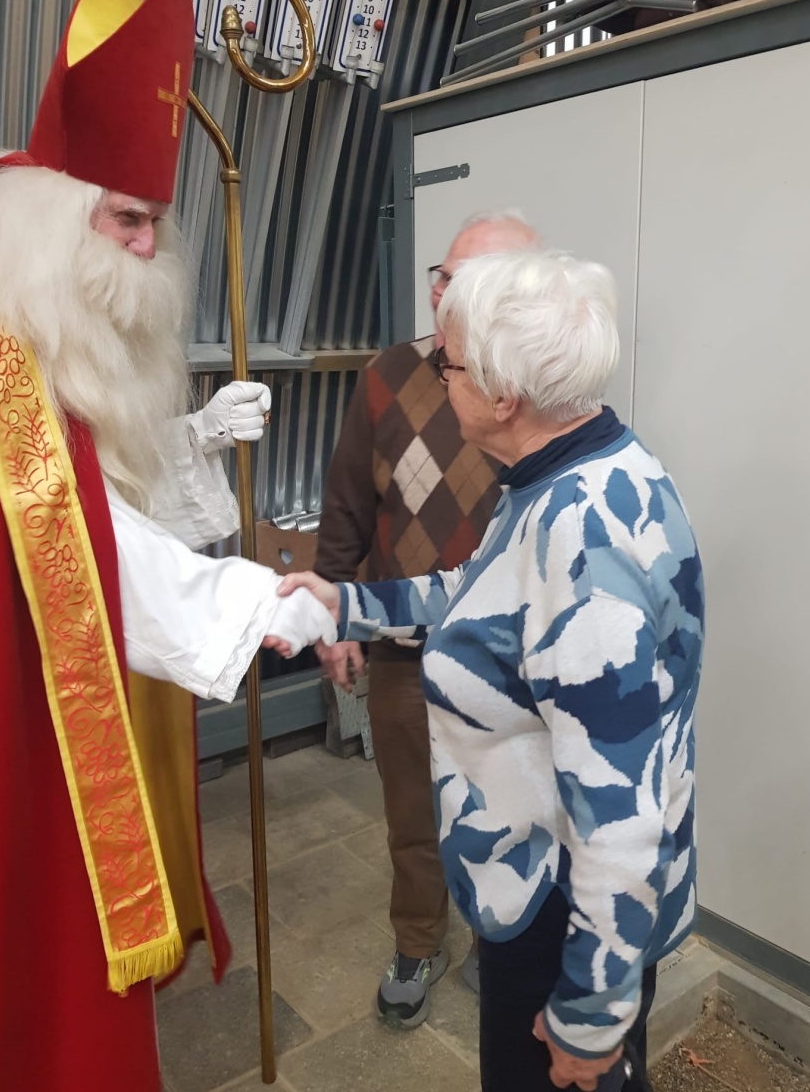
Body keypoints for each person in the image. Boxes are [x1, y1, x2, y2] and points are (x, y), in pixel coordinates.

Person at [0, 0, 334, 1092]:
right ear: (54, 216)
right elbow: (57, 540)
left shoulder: (29, 303)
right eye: (124, 218)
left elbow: (81, 481)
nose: (149, 249)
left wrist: (192, 437)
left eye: (156, 219)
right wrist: (257, 603)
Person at [268, 247, 704, 1092]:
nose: (439, 380)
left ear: (504, 397)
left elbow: (619, 816)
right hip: (553, 890)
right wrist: (345, 604)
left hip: (559, 910)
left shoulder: (582, 543)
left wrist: (589, 1018)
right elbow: (484, 590)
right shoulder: (577, 471)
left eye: (450, 365)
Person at [313, 211, 542, 1027]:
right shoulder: (387, 376)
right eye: (440, 277)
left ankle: (495, 941)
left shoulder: (544, 384)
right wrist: (336, 612)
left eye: (464, 283)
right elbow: (346, 503)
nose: (442, 294)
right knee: (412, 812)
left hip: (510, 659)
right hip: (405, 651)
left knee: (508, 808)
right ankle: (417, 941)